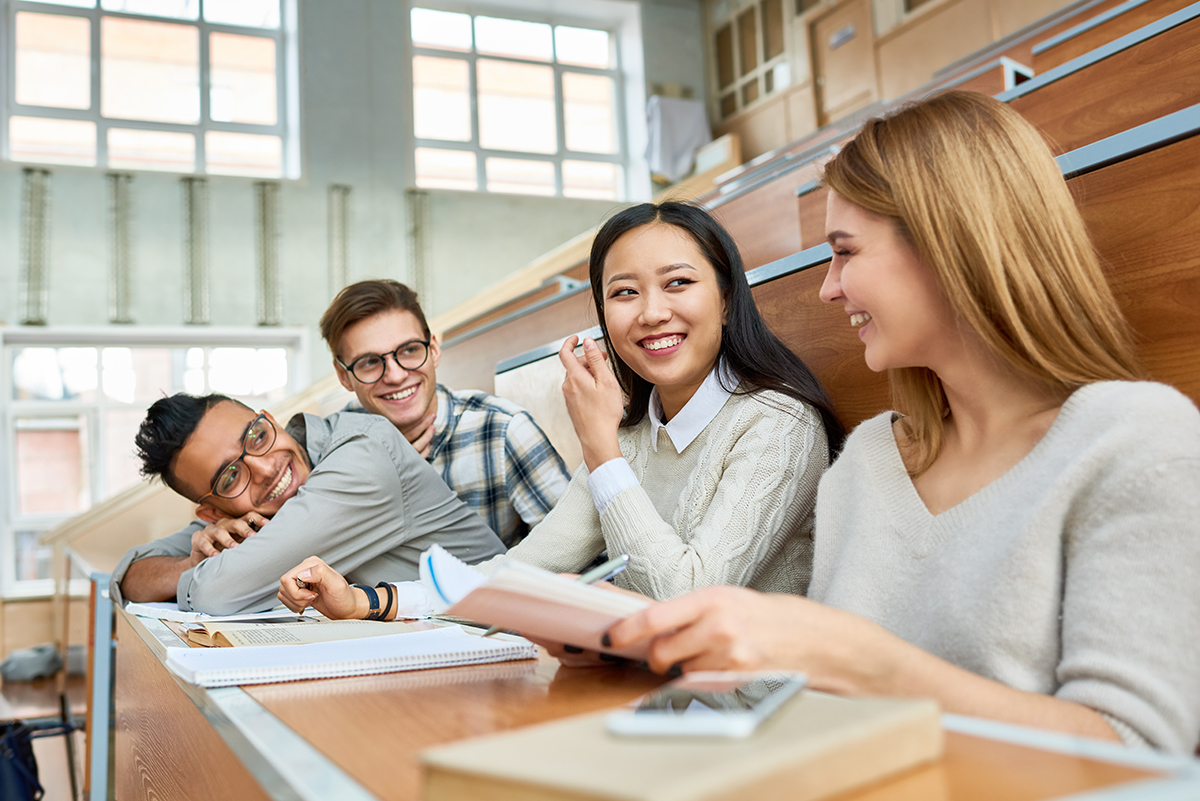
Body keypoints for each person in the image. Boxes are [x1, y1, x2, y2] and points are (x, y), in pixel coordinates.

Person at [602, 92, 1200, 754]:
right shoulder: (867, 459)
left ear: (949, 243)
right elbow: (820, 703)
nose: (828, 288)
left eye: (846, 252)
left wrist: (870, 663)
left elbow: (1139, 752)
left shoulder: (1137, 440)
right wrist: (634, 646)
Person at [278, 201, 845, 617]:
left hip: (749, 722)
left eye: (677, 283)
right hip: (649, 702)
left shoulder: (777, 425)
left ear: (725, 299)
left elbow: (687, 599)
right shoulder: (628, 437)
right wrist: (363, 602)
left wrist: (600, 450)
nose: (650, 313)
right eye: (624, 293)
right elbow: (522, 570)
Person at [112, 394, 505, 615]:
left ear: (270, 420)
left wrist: (207, 569)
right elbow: (131, 572)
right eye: (230, 476)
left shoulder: (363, 455)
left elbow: (218, 592)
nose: (265, 467)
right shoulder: (251, 514)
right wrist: (190, 562)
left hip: (510, 640)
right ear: (213, 512)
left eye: (257, 435)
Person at [322, 279, 570, 547]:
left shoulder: (502, 431)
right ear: (344, 377)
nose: (395, 376)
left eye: (409, 350)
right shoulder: (334, 447)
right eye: (369, 362)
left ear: (434, 349)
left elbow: (587, 562)